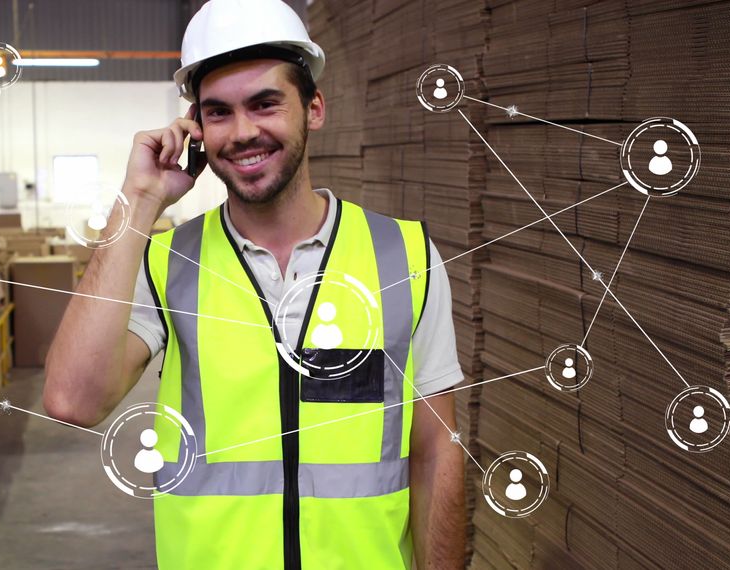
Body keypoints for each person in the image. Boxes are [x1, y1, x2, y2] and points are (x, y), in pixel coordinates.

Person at [44, 0, 465, 568]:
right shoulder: (168, 262)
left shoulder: (402, 255)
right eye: (218, 113)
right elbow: (73, 401)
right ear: (196, 127)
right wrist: (140, 201)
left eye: (265, 104)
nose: (243, 133)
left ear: (313, 108)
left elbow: (435, 449)